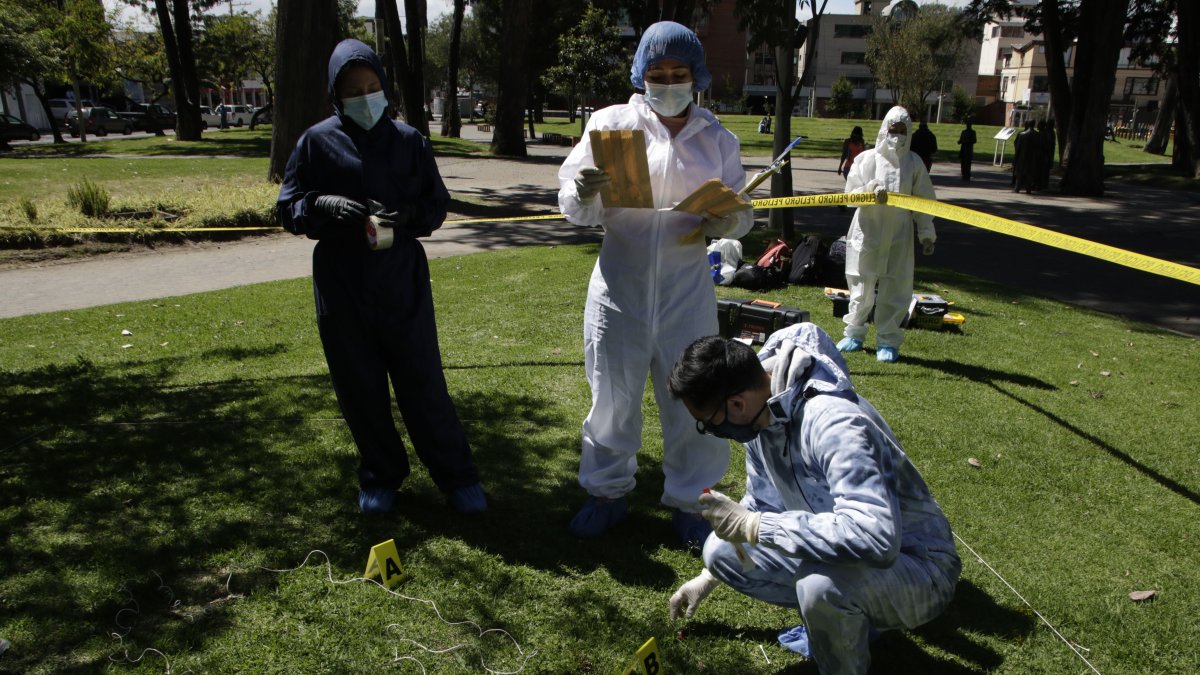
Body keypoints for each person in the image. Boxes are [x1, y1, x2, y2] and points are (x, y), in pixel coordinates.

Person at [667, 324, 961, 675]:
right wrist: (709, 575)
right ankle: (839, 623)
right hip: (847, 554)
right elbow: (762, 503)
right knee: (720, 551)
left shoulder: (834, 422)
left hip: (919, 568)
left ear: (736, 403)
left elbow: (877, 538)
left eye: (709, 423)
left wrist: (758, 526)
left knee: (820, 587)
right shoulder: (761, 415)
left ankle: (840, 636)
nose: (714, 432)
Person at [557, 21, 753, 547]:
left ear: (697, 77)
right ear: (641, 75)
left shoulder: (717, 138)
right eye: (657, 73)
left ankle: (694, 502)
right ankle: (605, 493)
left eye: (679, 73)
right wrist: (581, 189)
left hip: (687, 290)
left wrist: (725, 221)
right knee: (612, 396)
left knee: (695, 396)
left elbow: (742, 211)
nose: (668, 83)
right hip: (619, 287)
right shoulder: (612, 125)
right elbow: (574, 209)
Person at [277, 39, 486, 516]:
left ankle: (458, 477)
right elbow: (287, 208)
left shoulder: (408, 140)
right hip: (342, 284)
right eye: (353, 90)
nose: (365, 97)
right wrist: (320, 204)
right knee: (360, 387)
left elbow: (437, 205)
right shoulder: (316, 141)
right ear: (336, 93)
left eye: (372, 87)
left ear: (385, 87)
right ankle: (381, 475)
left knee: (423, 383)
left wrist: (408, 214)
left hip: (401, 280)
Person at [837, 106, 936, 364]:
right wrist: (871, 188)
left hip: (898, 235)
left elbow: (924, 202)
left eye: (903, 130)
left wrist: (926, 233)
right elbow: (850, 195)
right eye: (894, 129)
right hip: (868, 230)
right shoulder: (867, 160)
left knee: (896, 286)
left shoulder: (914, 164)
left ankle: (888, 340)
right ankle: (855, 333)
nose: (898, 135)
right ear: (885, 129)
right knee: (861, 284)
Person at [1013, 120, 1041, 194]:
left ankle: (1017, 188)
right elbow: (1039, 148)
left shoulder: (1022, 135)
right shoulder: (1037, 135)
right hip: (1032, 157)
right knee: (1030, 173)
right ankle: (1028, 189)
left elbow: (1018, 148)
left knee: (1020, 173)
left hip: (1022, 156)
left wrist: (1016, 158)